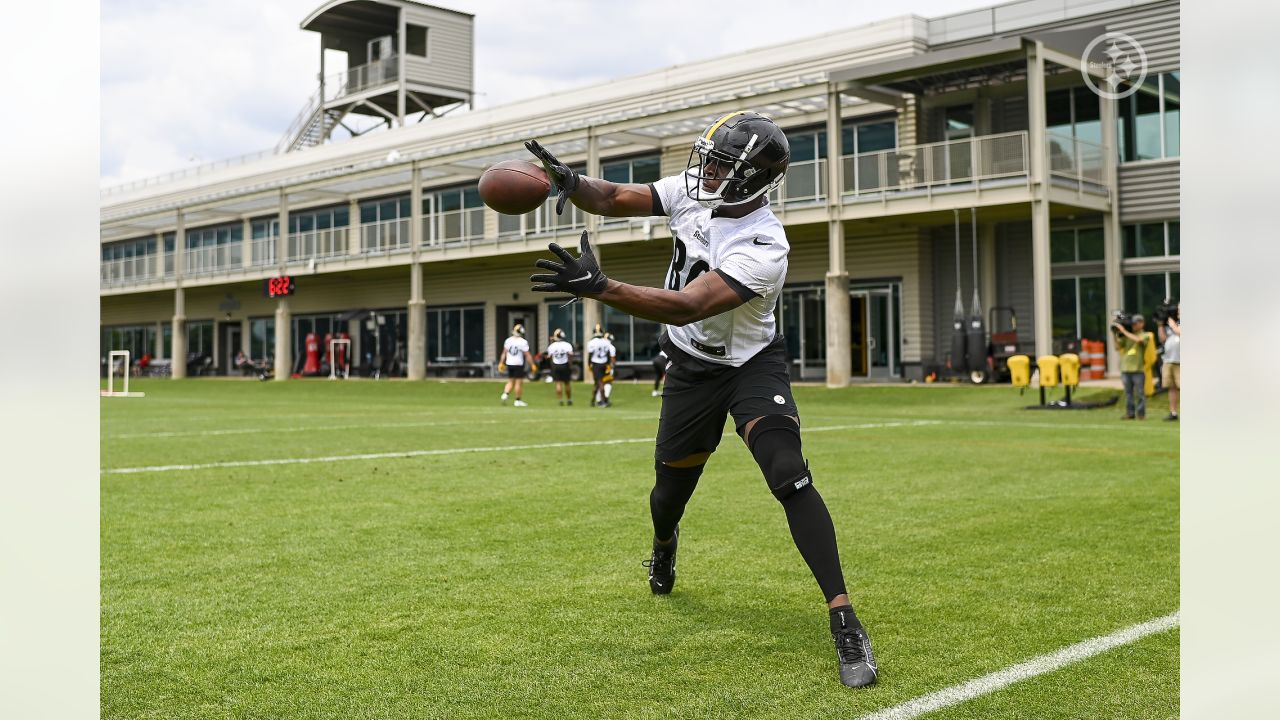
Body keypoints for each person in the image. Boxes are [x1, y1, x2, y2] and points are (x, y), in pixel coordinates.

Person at [524, 110, 877, 688]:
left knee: (789, 471)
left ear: (752, 178)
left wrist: (600, 288)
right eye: (707, 158)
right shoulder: (695, 197)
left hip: (750, 366)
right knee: (668, 496)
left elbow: (689, 303)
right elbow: (612, 197)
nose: (705, 171)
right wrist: (570, 183)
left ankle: (843, 615)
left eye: (719, 164)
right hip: (691, 368)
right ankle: (664, 546)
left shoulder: (765, 244)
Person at [1113, 313, 1152, 420]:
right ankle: (1130, 413)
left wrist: (1124, 331)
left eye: (1136, 323)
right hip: (1125, 369)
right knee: (1128, 393)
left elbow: (1139, 341)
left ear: (1142, 323)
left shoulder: (1145, 335)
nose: (1134, 326)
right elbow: (1117, 347)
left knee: (1140, 393)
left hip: (1138, 369)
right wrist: (1115, 334)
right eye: (1132, 324)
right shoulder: (1127, 336)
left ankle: (1141, 414)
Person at [498, 323, 535, 407]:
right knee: (518, 382)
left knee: (510, 381)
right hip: (518, 363)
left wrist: (501, 363)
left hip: (509, 363)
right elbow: (527, 355)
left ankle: (505, 394)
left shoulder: (508, 340)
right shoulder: (523, 342)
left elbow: (504, 353)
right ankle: (517, 400)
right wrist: (532, 364)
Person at [1158, 307, 1180, 421]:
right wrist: (1161, 325)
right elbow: (1162, 339)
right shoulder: (1172, 325)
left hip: (1180, 362)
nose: (1179, 312)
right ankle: (1173, 412)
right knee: (1172, 387)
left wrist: (1172, 324)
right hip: (1168, 360)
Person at [547, 328, 576, 406]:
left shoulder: (552, 346)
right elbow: (570, 355)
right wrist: (570, 365)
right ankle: (569, 399)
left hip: (556, 364)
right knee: (567, 383)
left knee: (558, 383)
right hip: (565, 364)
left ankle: (560, 400)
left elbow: (549, 356)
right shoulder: (567, 345)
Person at [586, 325, 612, 408]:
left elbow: (590, 355)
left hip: (596, 364)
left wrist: (589, 364)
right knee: (599, 383)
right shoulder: (606, 342)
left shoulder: (591, 342)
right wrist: (608, 364)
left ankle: (601, 401)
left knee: (599, 383)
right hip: (604, 363)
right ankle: (595, 400)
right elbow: (608, 355)